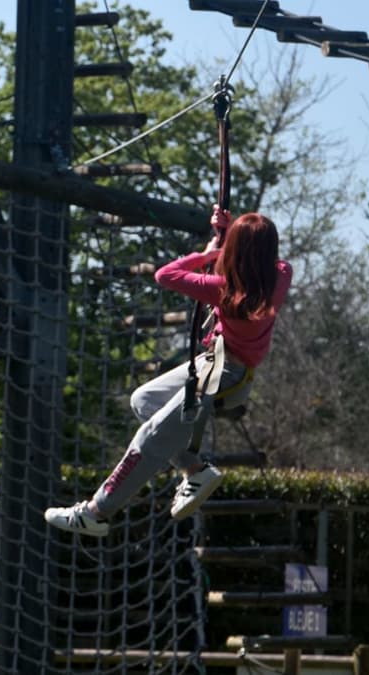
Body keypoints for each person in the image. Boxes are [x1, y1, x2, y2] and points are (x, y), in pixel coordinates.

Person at [45, 205, 293, 536]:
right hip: (218, 364)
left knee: (150, 434)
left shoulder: (221, 288)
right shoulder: (280, 276)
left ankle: (96, 511)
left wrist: (210, 251)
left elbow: (166, 274)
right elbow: (261, 261)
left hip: (222, 375)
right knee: (143, 400)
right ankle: (195, 469)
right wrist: (230, 231)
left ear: (235, 253)